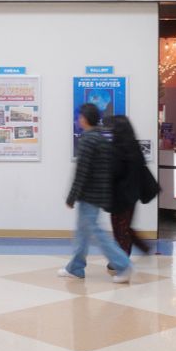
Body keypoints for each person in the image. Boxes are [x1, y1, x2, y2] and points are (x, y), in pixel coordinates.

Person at [59, 103, 133, 282]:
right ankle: (76, 268)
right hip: (98, 195)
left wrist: (71, 197)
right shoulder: (101, 138)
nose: (78, 120)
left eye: (79, 117)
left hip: (89, 196)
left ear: (84, 119)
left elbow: (82, 172)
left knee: (97, 233)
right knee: (83, 232)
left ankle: (123, 265)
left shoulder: (87, 140)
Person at [108, 115, 152, 266]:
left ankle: (122, 260)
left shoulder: (117, 147)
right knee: (124, 227)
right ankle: (134, 250)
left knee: (119, 230)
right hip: (132, 195)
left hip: (119, 196)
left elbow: (115, 171)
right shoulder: (134, 146)